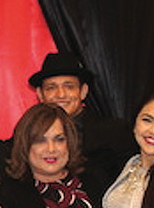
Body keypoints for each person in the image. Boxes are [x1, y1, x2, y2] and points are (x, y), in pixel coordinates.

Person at [29, 52, 133, 181]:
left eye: (69, 87)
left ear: (83, 91)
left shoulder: (114, 132)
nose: (60, 94)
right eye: (51, 87)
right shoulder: (27, 135)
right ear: (40, 95)